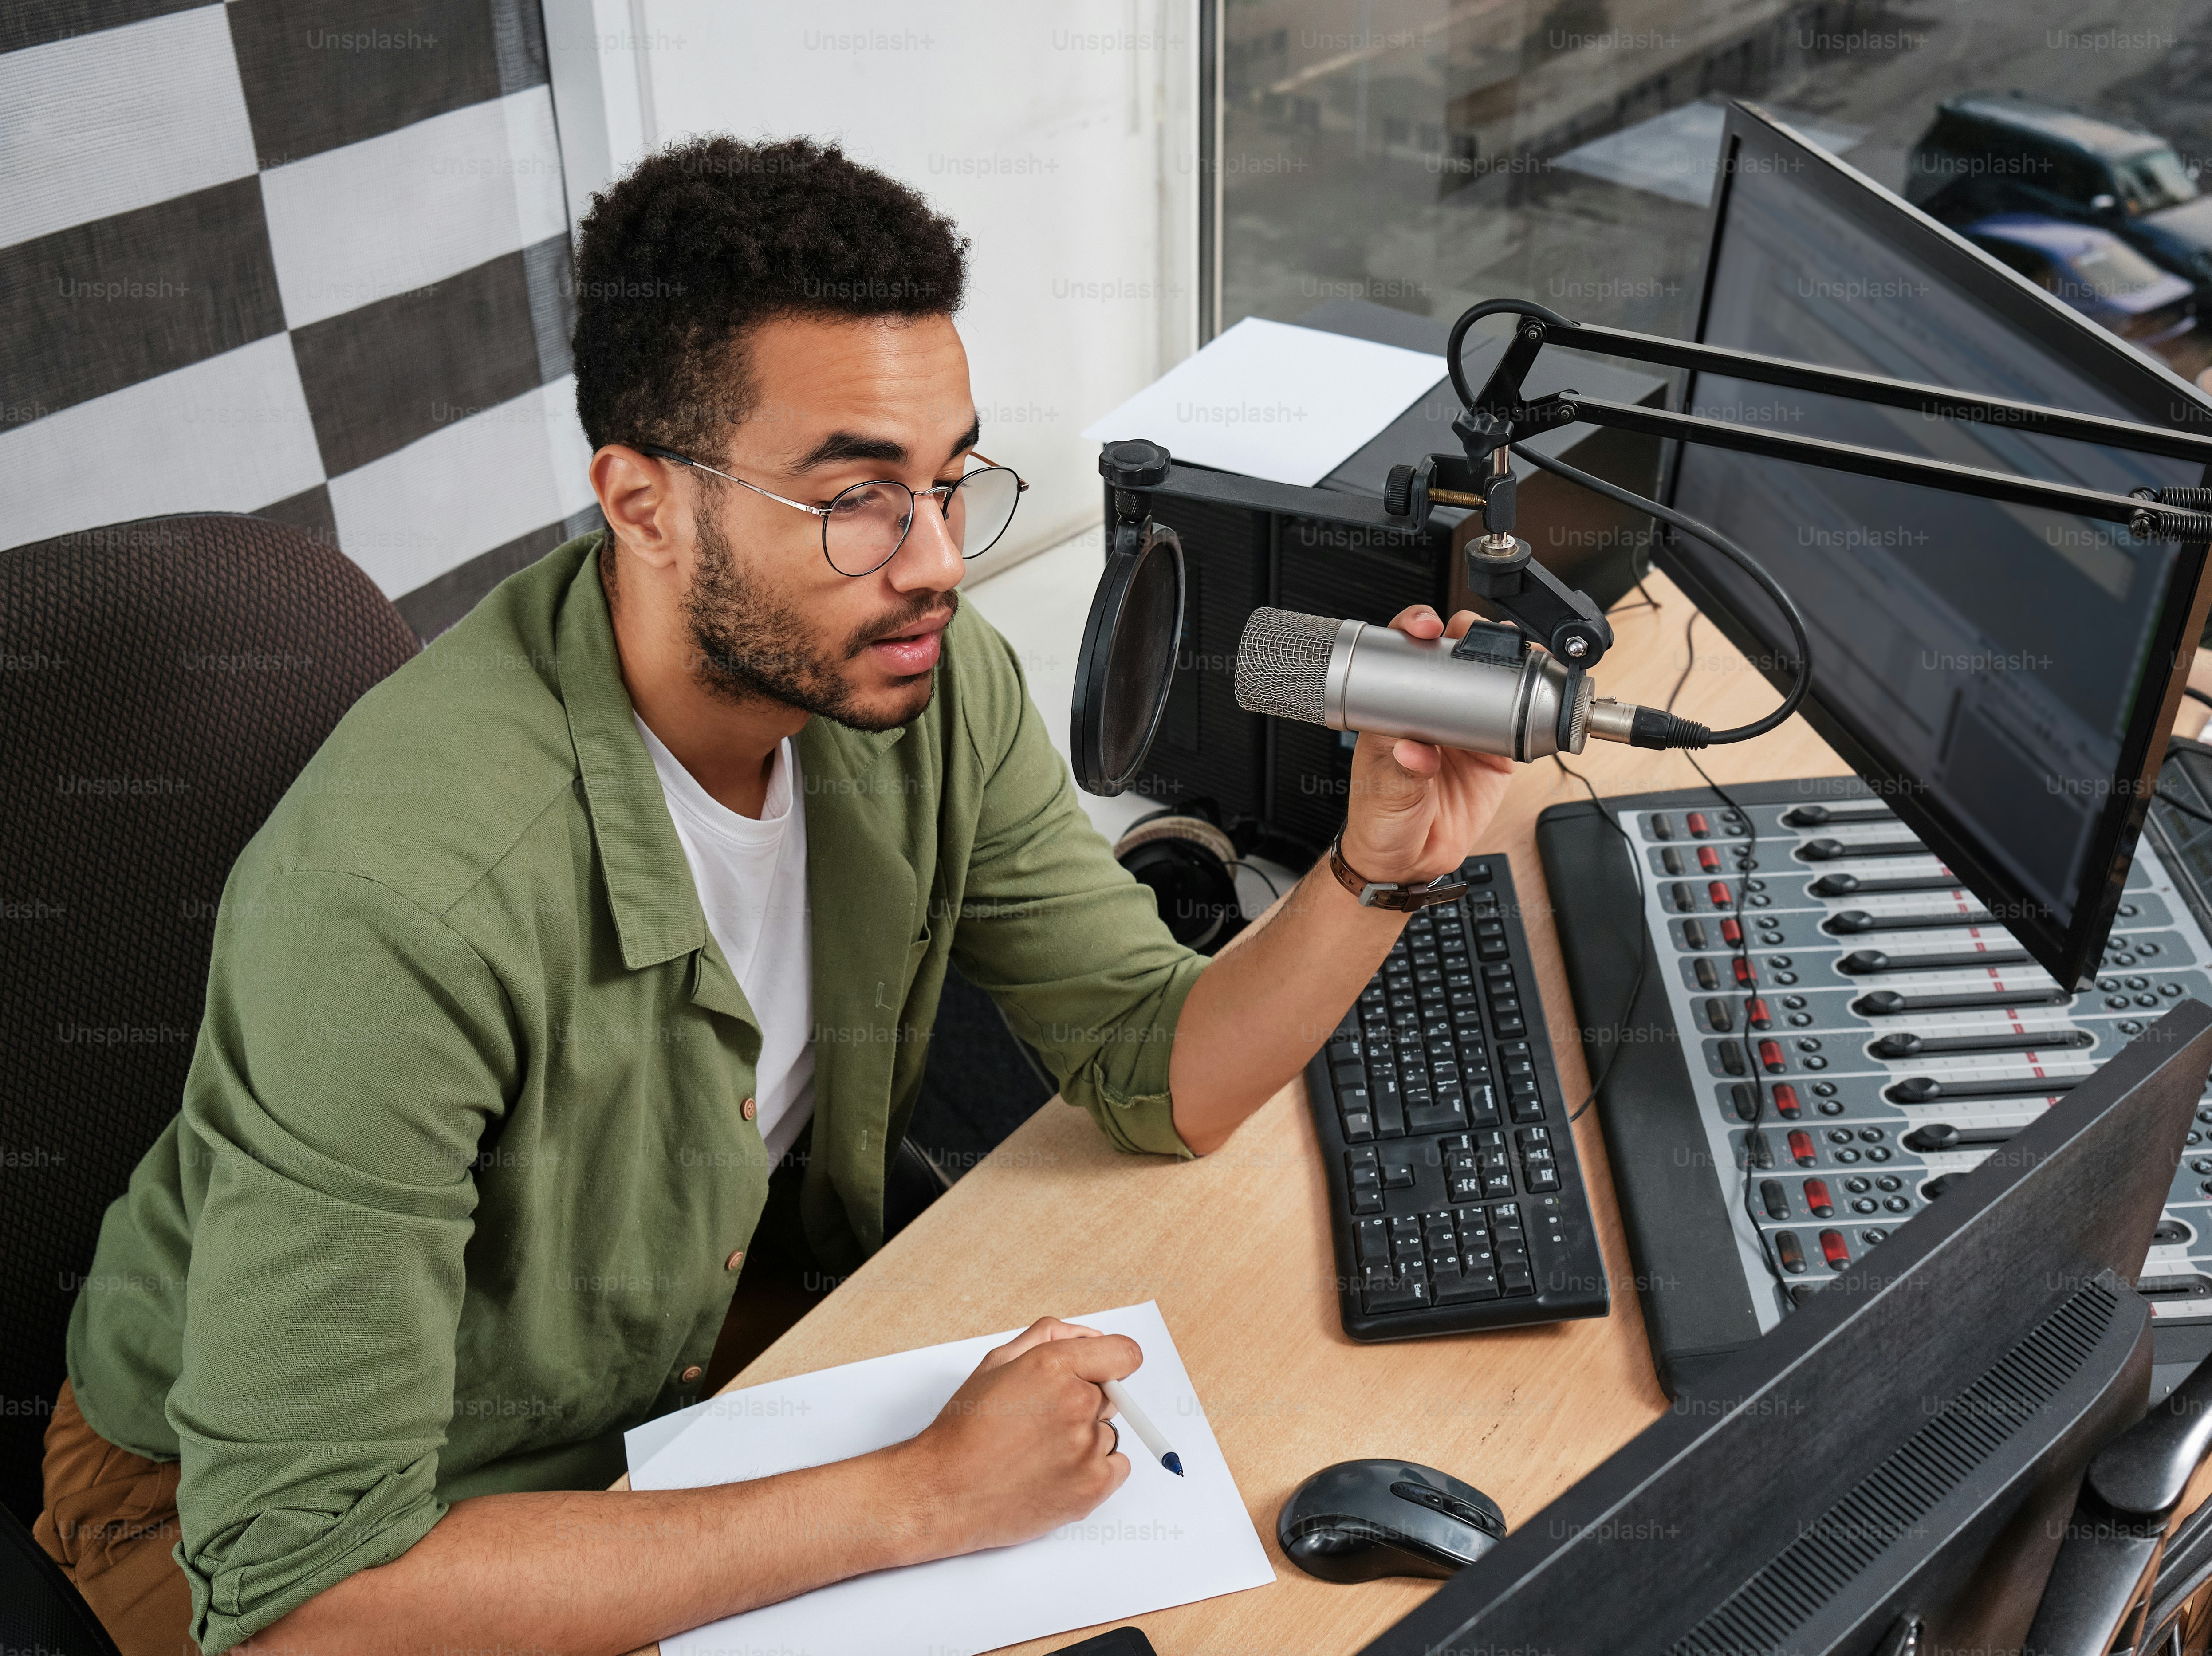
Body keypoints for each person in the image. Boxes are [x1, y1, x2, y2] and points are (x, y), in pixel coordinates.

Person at [39, 136, 1513, 1655]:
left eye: (950, 482)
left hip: (656, 1359)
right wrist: (921, 1497)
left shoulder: (926, 693)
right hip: (237, 1516)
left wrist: (1374, 867)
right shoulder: (397, 907)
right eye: (862, 497)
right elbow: (307, 1604)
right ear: (642, 504)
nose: (938, 562)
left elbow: (1158, 1068)